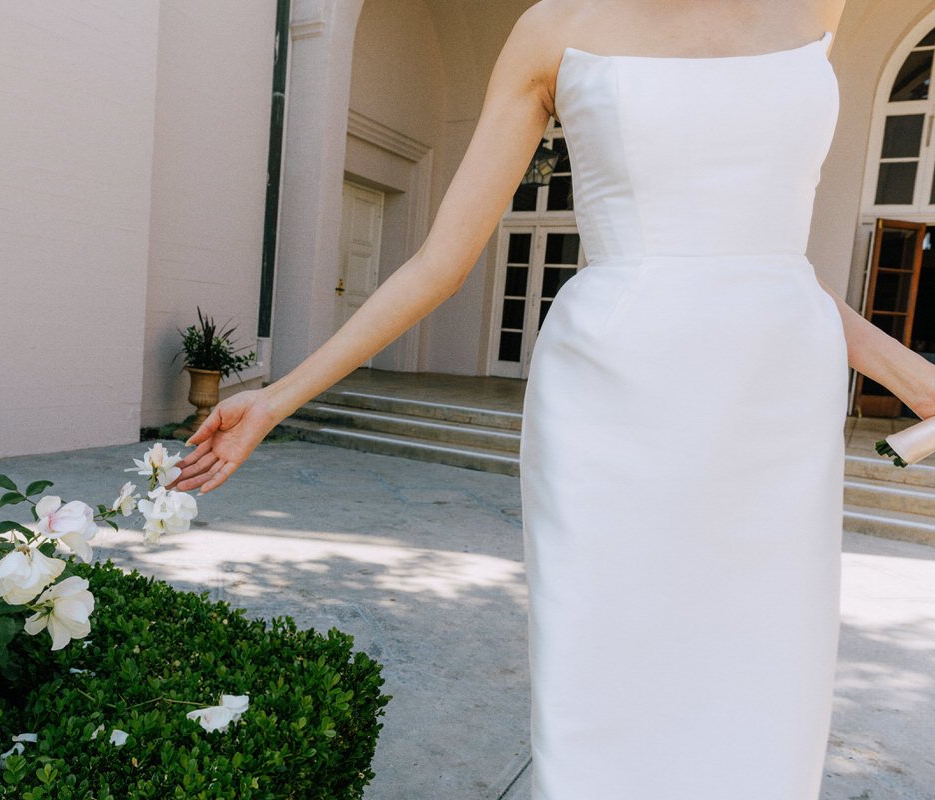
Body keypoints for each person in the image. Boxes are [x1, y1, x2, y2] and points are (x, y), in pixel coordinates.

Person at [171, 1, 935, 797]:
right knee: (607, 685)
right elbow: (441, 263)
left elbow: (772, 261)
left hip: (776, 401)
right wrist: (277, 398)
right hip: (615, 393)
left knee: (765, 676)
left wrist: (918, 380)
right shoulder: (554, 27)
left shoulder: (819, 6)